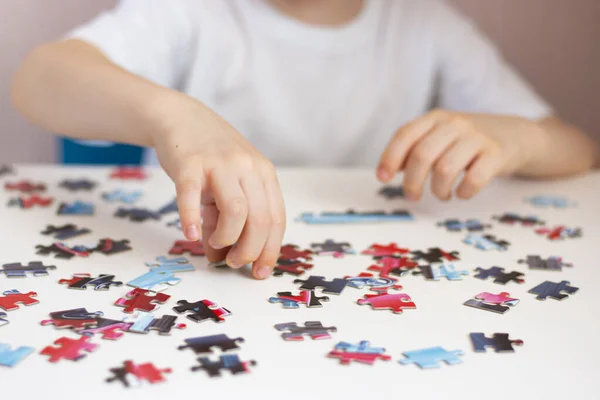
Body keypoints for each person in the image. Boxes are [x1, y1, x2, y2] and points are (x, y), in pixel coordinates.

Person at [11, 0, 598, 279]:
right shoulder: (190, 11)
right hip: (188, 269)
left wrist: (520, 136)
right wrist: (176, 118)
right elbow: (41, 75)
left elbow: (579, 152)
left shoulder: (425, 24)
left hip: (371, 278)